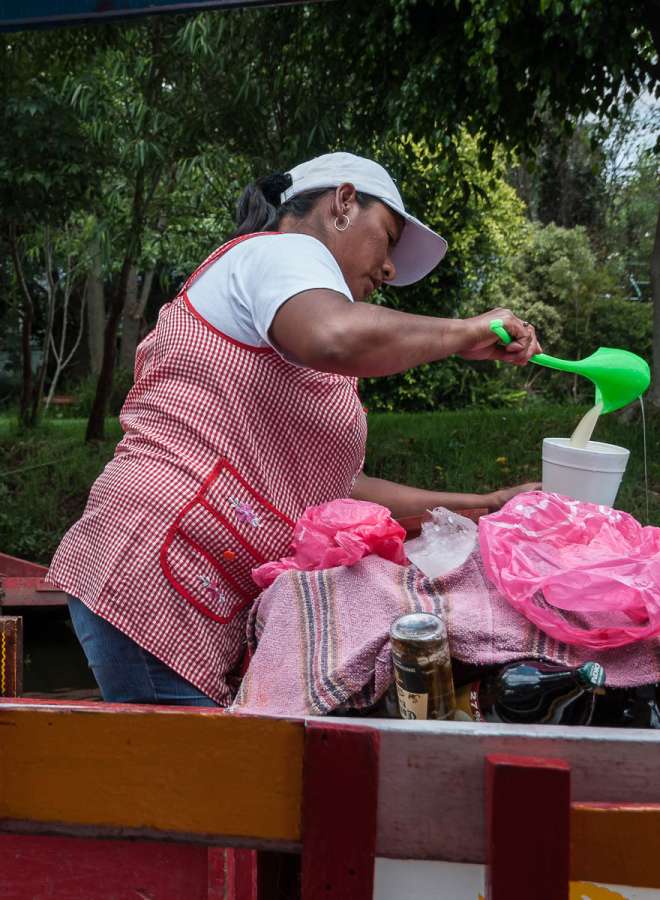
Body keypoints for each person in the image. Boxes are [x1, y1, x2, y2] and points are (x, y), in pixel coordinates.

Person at [48, 152, 541, 708]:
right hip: (151, 575)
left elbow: (334, 489)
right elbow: (335, 335)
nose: (389, 271)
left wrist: (481, 504)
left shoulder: (299, 332)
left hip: (193, 593)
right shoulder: (283, 253)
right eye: (388, 238)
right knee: (194, 788)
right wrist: (464, 332)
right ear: (344, 202)